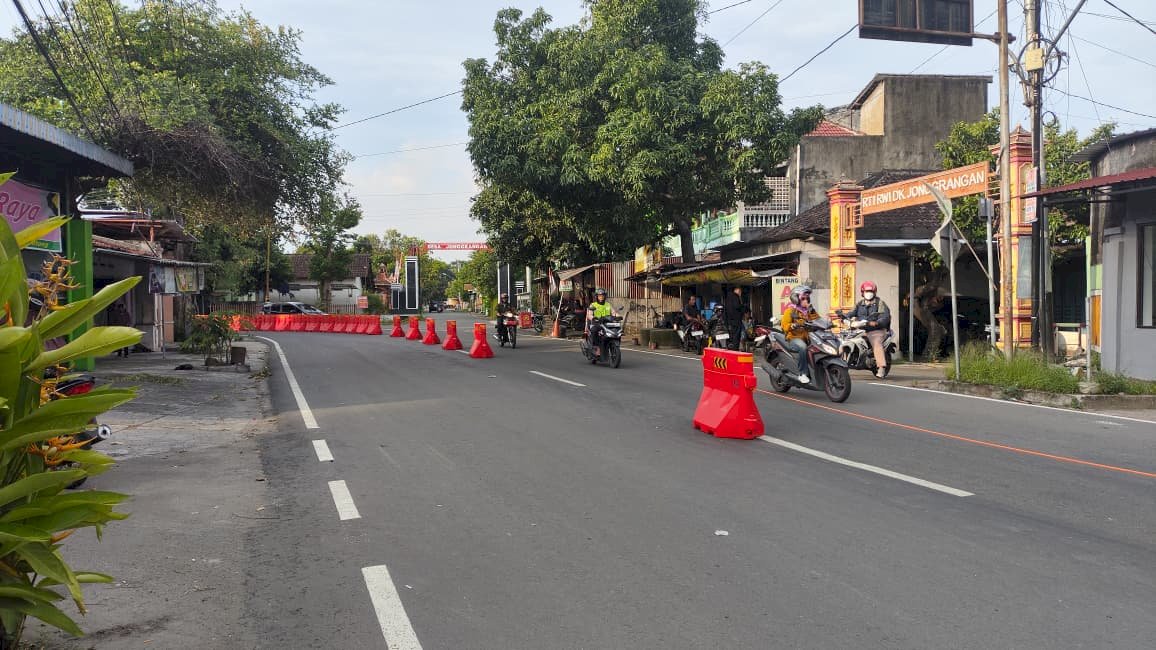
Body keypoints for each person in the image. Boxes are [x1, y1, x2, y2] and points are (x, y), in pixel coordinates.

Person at [848, 280, 892, 378]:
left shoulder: (880, 303)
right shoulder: (859, 304)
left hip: (877, 330)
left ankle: (881, 367)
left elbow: (885, 316)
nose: (869, 294)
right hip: (861, 330)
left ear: (874, 292)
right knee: (845, 338)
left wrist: (877, 322)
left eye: (871, 292)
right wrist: (842, 316)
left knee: (876, 343)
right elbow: (851, 313)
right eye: (867, 292)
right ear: (862, 293)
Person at [780, 285, 820, 383]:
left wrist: (812, 310)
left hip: (808, 337)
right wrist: (793, 325)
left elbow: (818, 320)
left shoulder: (808, 311)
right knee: (802, 347)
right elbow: (784, 325)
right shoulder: (790, 311)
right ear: (796, 298)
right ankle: (802, 374)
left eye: (807, 298)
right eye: (803, 298)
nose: (806, 300)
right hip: (794, 338)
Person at [585, 288, 616, 356]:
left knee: (616, 329)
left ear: (605, 296)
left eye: (602, 295)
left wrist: (618, 316)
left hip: (607, 324)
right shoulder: (593, 305)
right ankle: (597, 347)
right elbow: (589, 314)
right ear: (597, 297)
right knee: (594, 330)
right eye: (599, 296)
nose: (601, 297)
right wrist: (593, 318)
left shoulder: (608, 304)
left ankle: (612, 344)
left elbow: (614, 313)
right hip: (596, 323)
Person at [724, 286, 745, 350]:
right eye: (740, 292)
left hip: (729, 321)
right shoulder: (736, 297)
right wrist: (742, 306)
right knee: (736, 336)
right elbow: (737, 306)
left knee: (731, 335)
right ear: (738, 291)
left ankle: (730, 348)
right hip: (736, 320)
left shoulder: (728, 298)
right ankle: (735, 349)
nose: (741, 294)